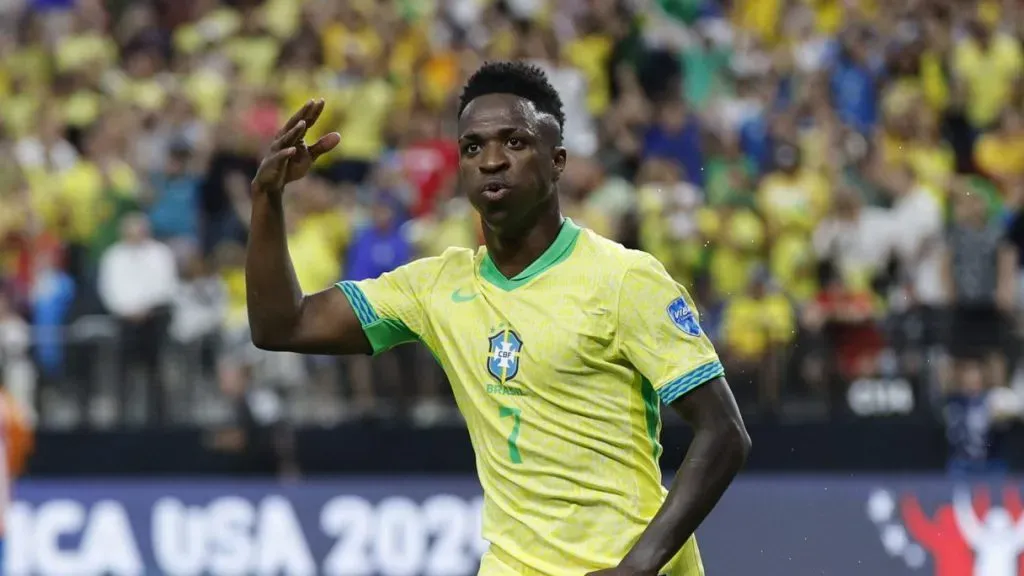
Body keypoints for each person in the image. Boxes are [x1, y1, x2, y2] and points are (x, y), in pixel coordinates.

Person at [246, 62, 750, 576]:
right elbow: (282, 326)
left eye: (514, 143)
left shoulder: (624, 279)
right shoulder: (436, 286)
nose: (491, 160)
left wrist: (637, 566)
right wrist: (267, 199)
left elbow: (725, 432)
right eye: (473, 147)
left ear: (557, 162)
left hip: (629, 561)